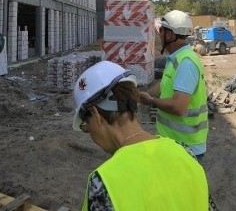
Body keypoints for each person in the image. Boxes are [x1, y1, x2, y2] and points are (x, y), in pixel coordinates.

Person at [72, 60, 209, 210]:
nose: (90, 134)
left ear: (95, 115)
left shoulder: (103, 182)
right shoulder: (186, 154)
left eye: (86, 125)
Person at [138, 10, 209, 160]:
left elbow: (179, 107)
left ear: (170, 35)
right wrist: (145, 94)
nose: (159, 35)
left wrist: (150, 101)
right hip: (175, 143)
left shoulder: (186, 63)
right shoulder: (177, 59)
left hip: (185, 147)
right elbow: (164, 85)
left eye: (161, 31)